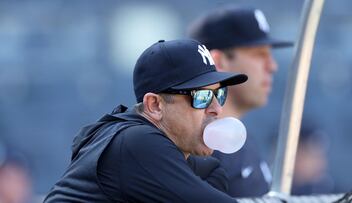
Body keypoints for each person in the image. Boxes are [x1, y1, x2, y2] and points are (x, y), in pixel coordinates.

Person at [43, 39, 248, 202]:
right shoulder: (137, 142)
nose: (217, 109)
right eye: (201, 97)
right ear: (155, 105)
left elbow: (212, 170)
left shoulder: (146, 146)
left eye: (219, 94)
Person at [188, 7, 292, 197]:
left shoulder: (236, 140)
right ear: (219, 61)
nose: (272, 66)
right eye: (259, 54)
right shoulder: (199, 151)